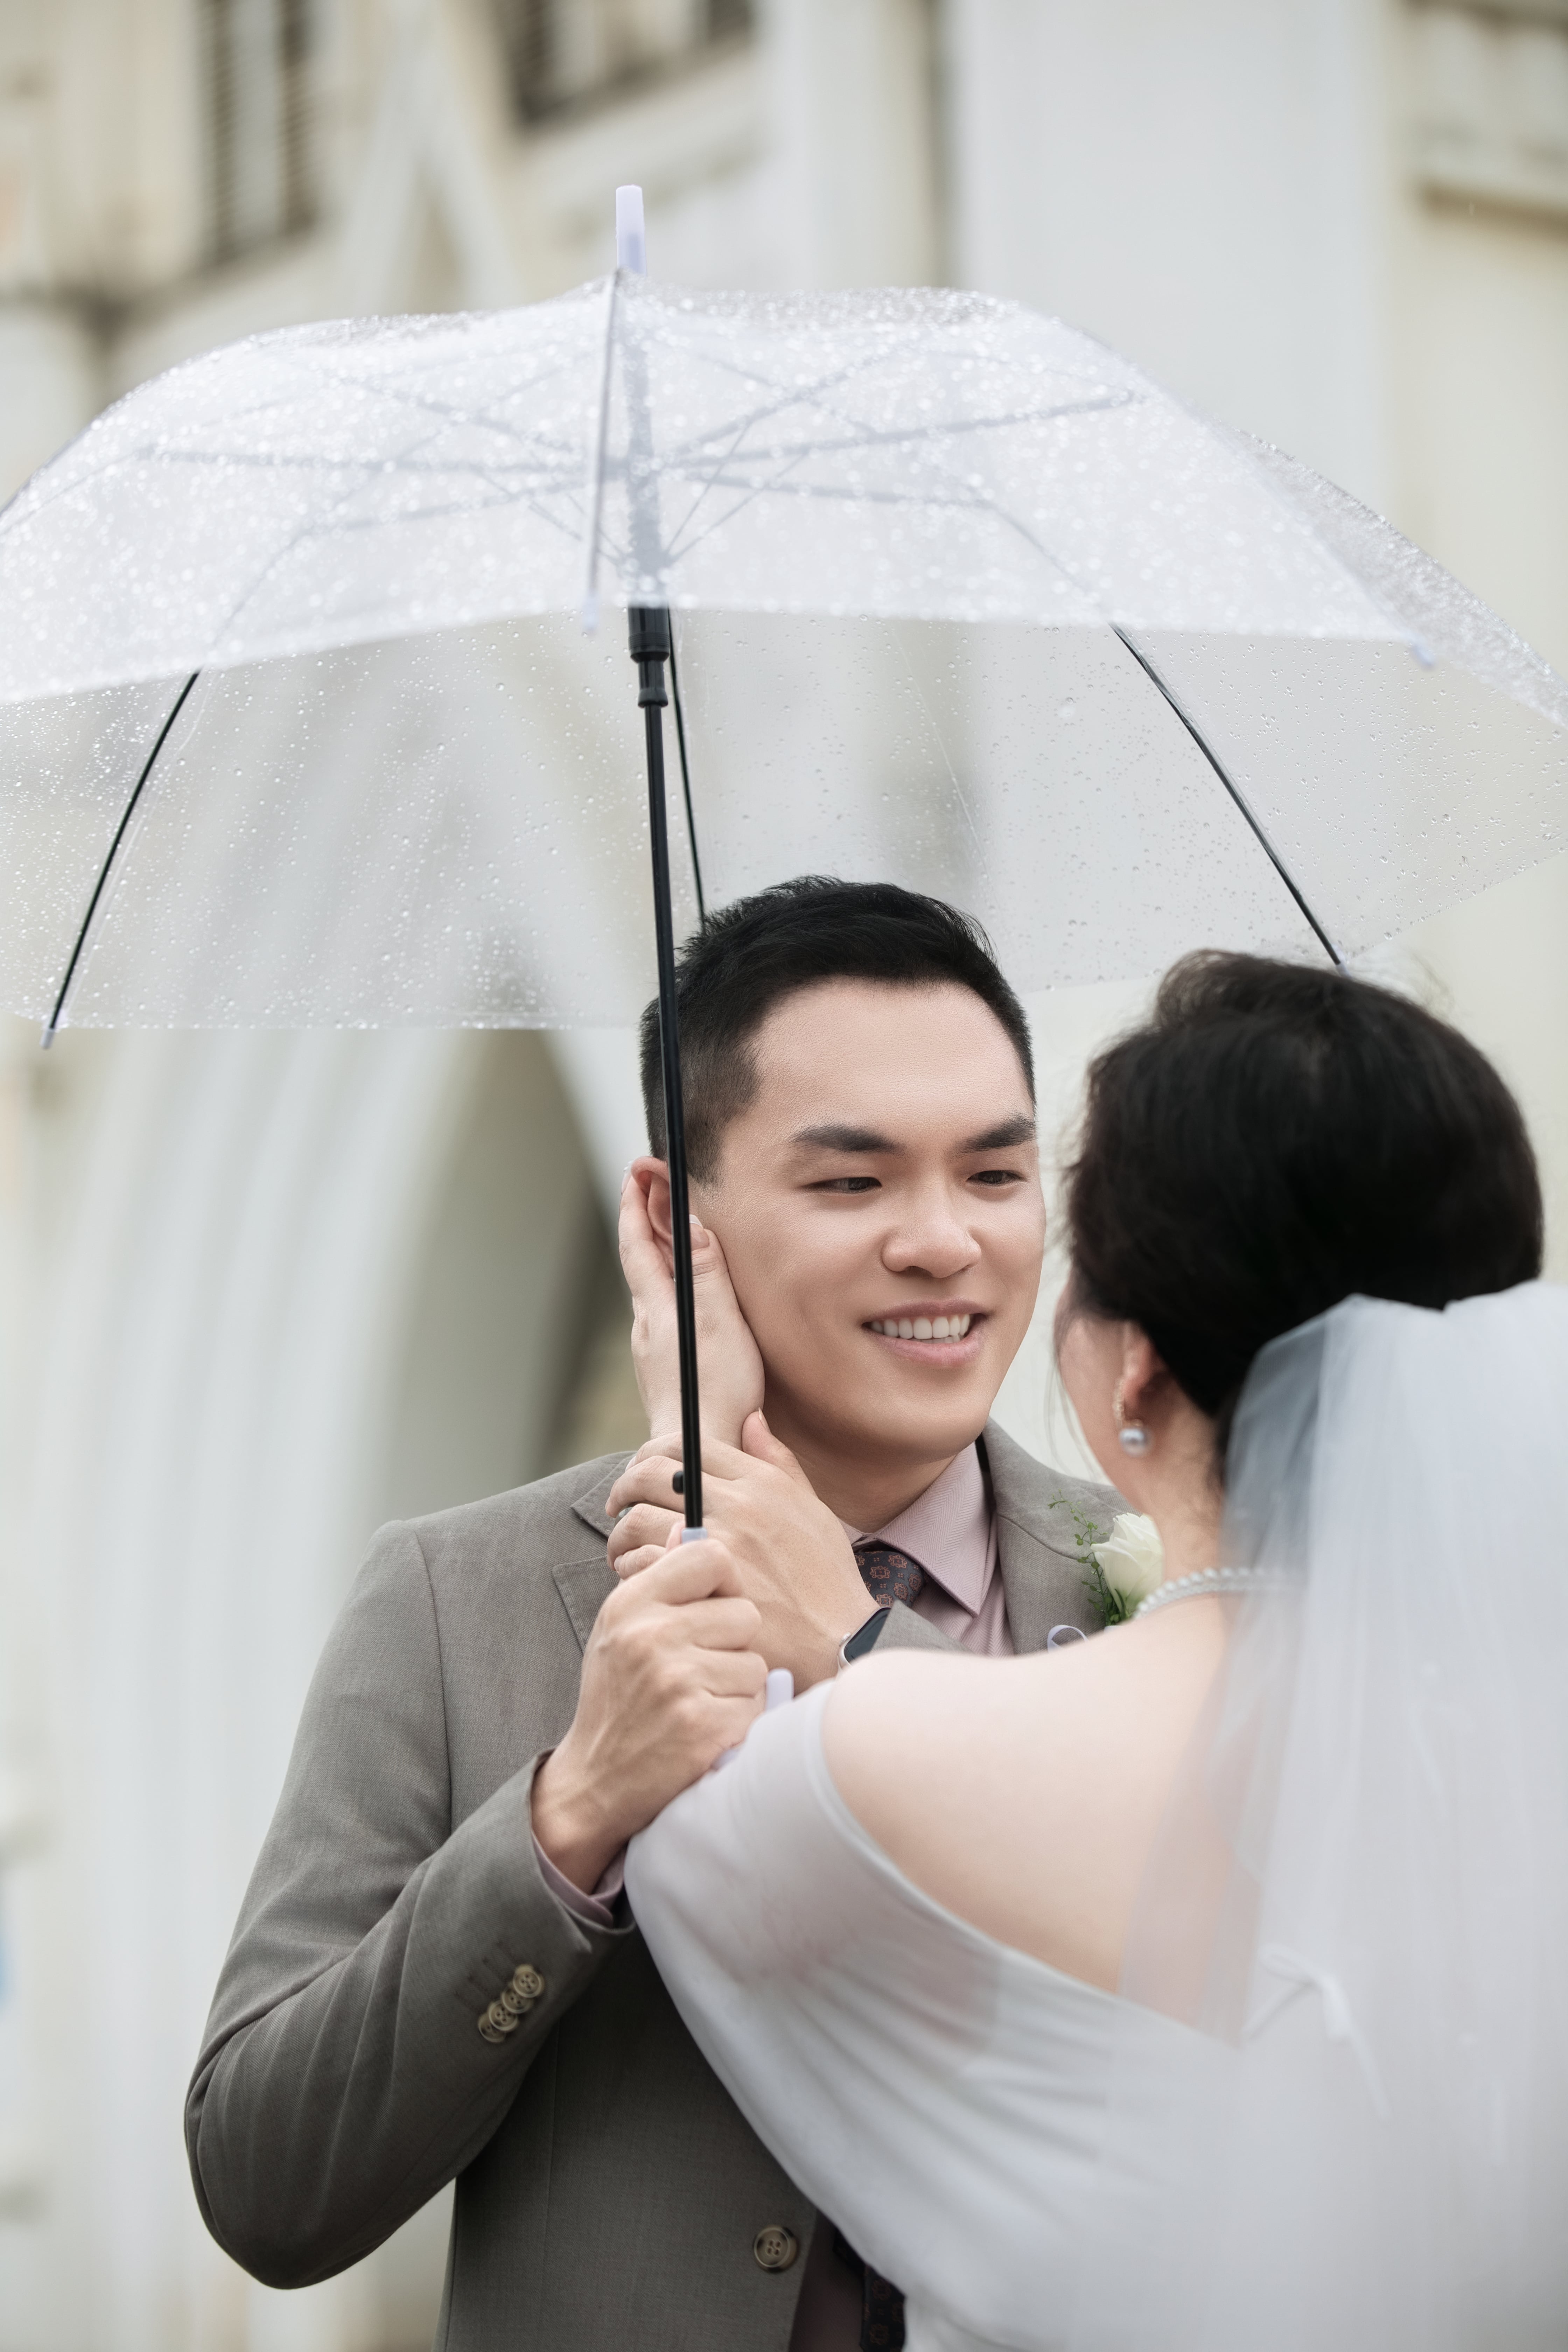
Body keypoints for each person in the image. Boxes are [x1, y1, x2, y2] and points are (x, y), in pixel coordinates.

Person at [185, 878, 1120, 2350]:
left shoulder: (1167, 1587)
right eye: (853, 1184)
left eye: (995, 1174)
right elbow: (266, 2184)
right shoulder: (454, 1600)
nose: (946, 1242)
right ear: (673, 1223)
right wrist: (567, 1818)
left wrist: (859, 1648)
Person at [626, 950, 1568, 2352]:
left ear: (1135, 1368)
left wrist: (700, 1441)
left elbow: (687, 1830)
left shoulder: (876, 1746)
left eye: (1012, 1185)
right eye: (855, 1180)